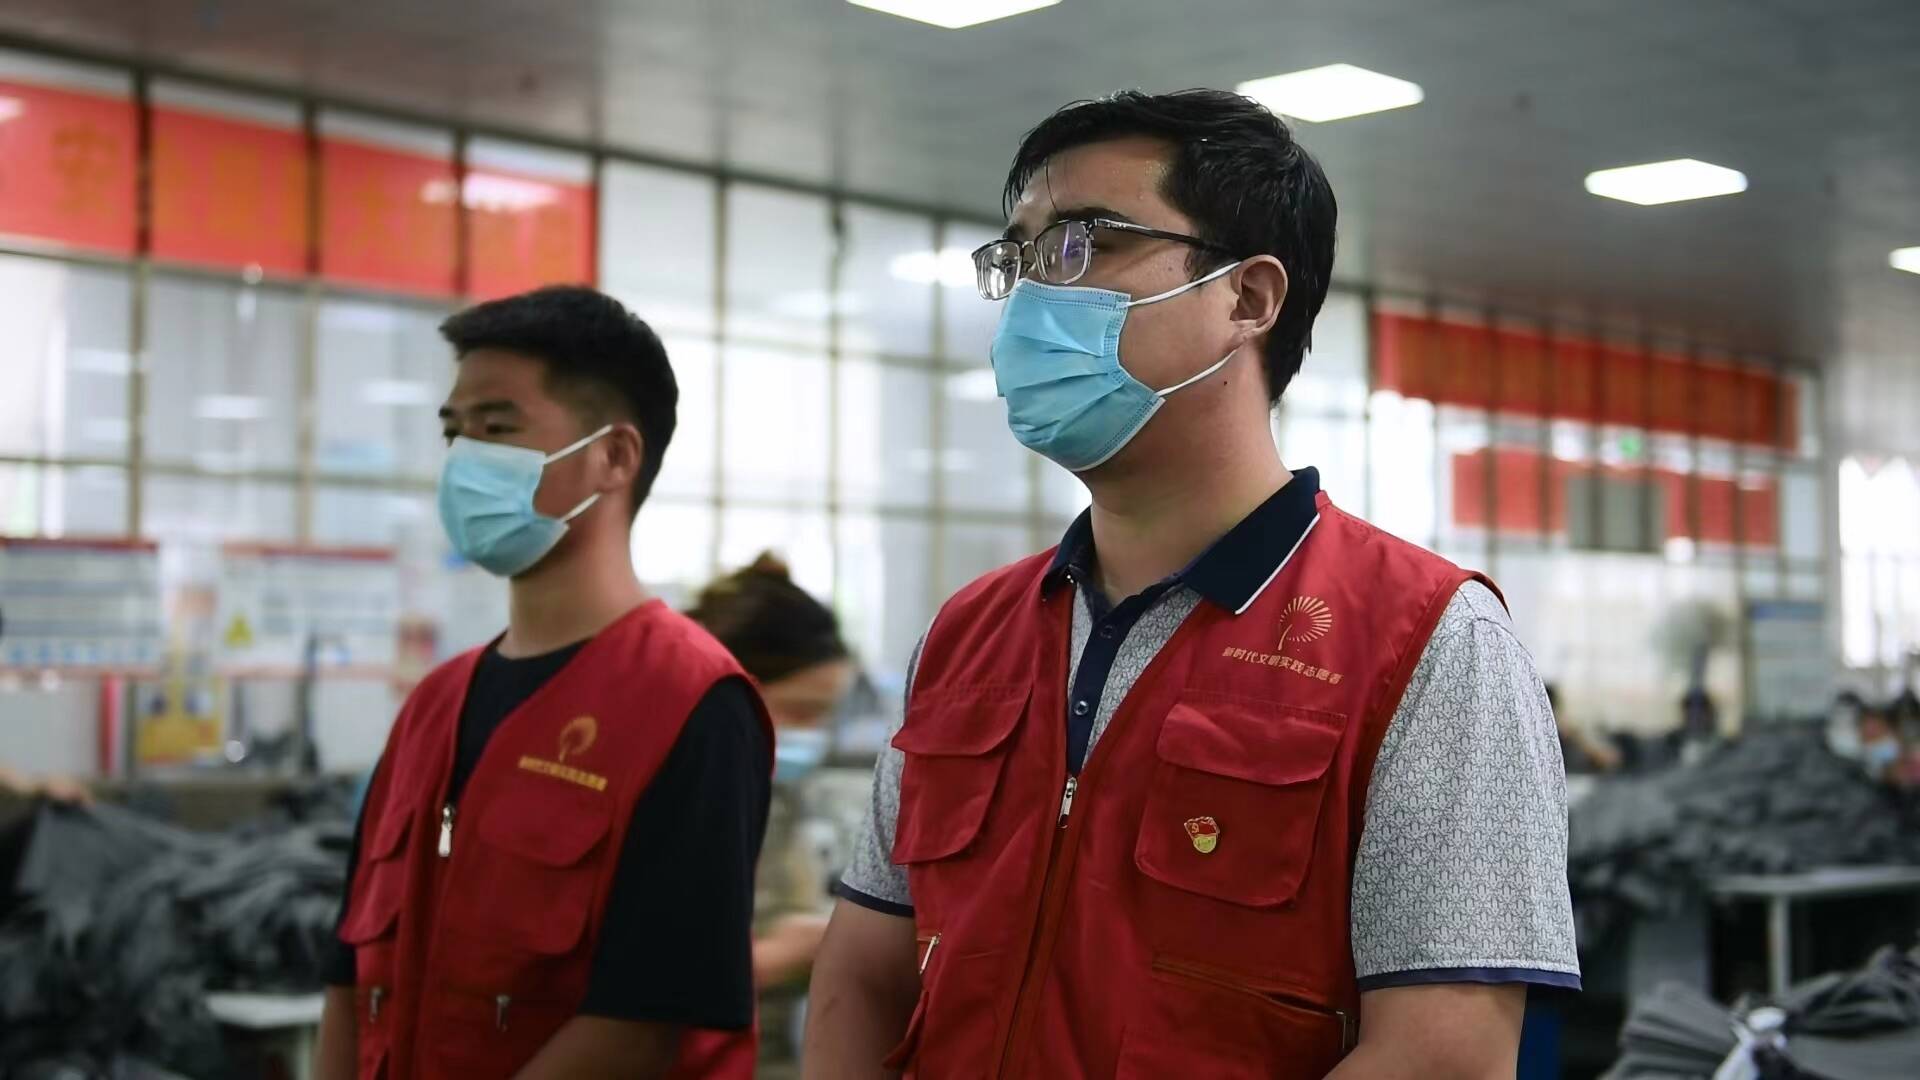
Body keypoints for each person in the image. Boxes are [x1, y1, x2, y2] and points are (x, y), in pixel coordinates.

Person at [805, 90, 1579, 1079]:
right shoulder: (969, 635)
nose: (1034, 294)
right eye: (1022, 255)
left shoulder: (1429, 643)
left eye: (1084, 243)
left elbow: (1444, 1057)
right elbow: (864, 977)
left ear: (1248, 299)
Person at [314, 287, 772, 1080]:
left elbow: (641, 1027)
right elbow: (350, 977)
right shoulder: (433, 705)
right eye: (454, 432)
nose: (464, 460)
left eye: (498, 429)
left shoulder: (692, 703)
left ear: (614, 457)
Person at [687, 553, 857, 1056]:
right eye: (800, 711)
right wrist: (777, 958)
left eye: (824, 716)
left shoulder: (778, 792)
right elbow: (629, 989)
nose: (810, 734)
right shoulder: (677, 803)